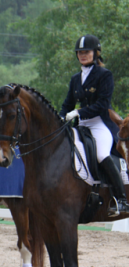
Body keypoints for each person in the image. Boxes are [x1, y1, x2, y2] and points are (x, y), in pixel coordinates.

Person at [59, 34, 129, 215]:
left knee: (100, 154)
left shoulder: (104, 75)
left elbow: (103, 104)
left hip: (100, 124)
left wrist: (78, 112)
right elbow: (67, 103)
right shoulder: (76, 78)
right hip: (81, 125)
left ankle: (121, 199)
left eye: (86, 52)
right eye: (79, 52)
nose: (82, 55)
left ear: (95, 53)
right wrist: (59, 117)